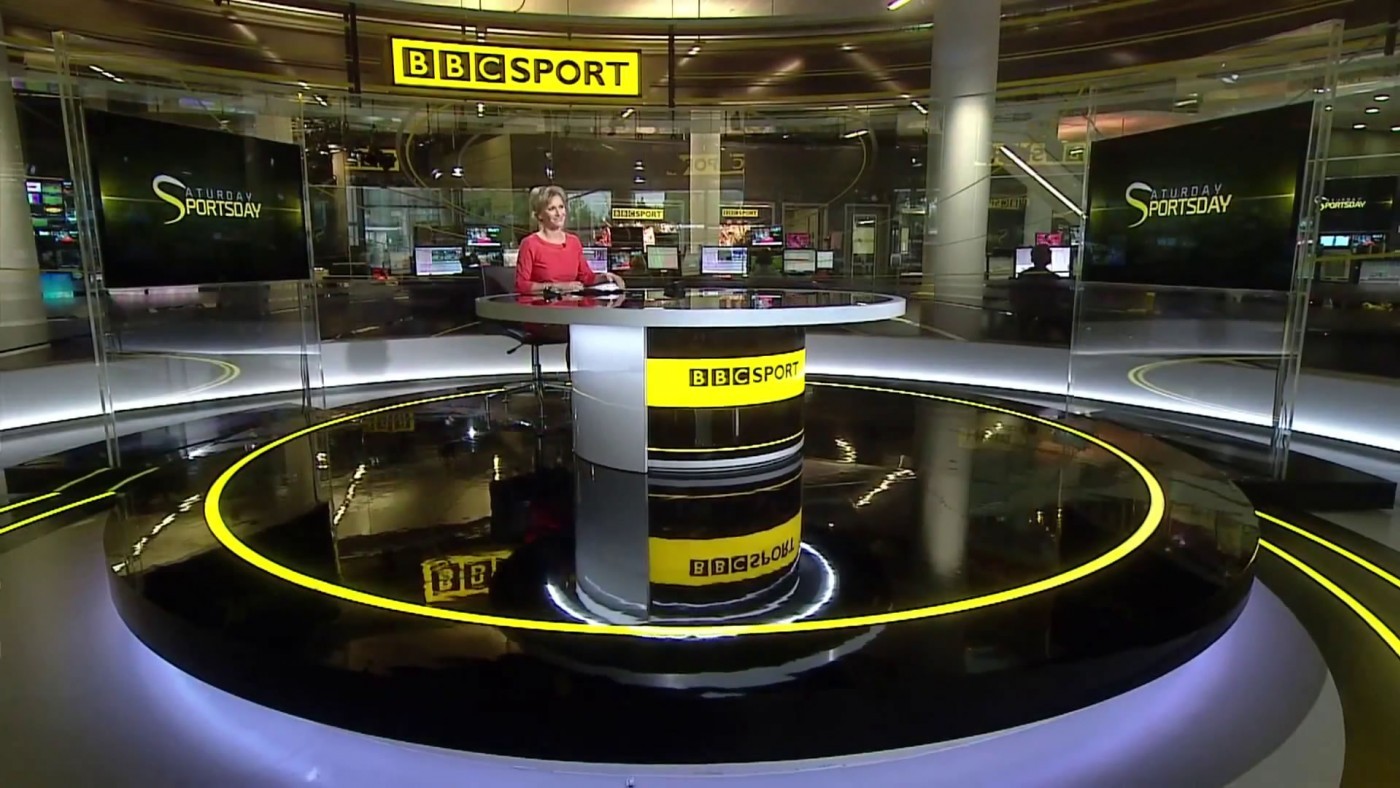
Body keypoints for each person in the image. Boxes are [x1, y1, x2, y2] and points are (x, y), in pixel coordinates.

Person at [515, 185, 626, 295]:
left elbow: (586, 277)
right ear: (540, 215)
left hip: (573, 305)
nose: (559, 213)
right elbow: (522, 285)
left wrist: (606, 277)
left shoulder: (573, 242)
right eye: (552, 209)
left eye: (561, 207)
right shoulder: (530, 244)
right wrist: (559, 287)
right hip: (543, 305)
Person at [1010, 244, 1068, 343]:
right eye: (1048, 253)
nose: (1050, 254)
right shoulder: (1053, 279)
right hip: (1045, 318)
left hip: (1029, 319)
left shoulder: (1023, 276)